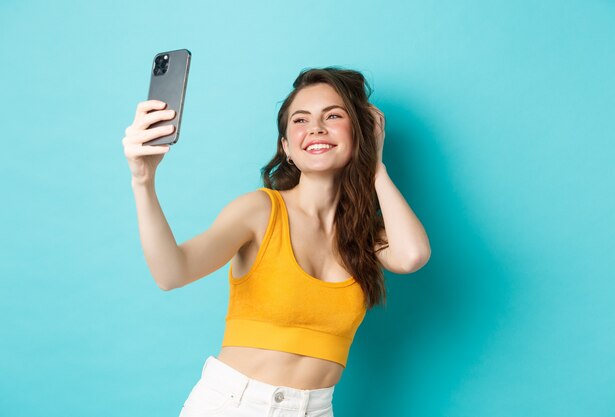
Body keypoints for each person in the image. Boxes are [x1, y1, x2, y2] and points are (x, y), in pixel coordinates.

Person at [122, 67, 431, 417]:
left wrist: (375, 167)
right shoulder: (259, 211)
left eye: (333, 115)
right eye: (301, 120)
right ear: (286, 147)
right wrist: (142, 180)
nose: (316, 127)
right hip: (233, 405)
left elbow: (412, 255)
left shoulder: (364, 235)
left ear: (360, 134)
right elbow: (171, 273)